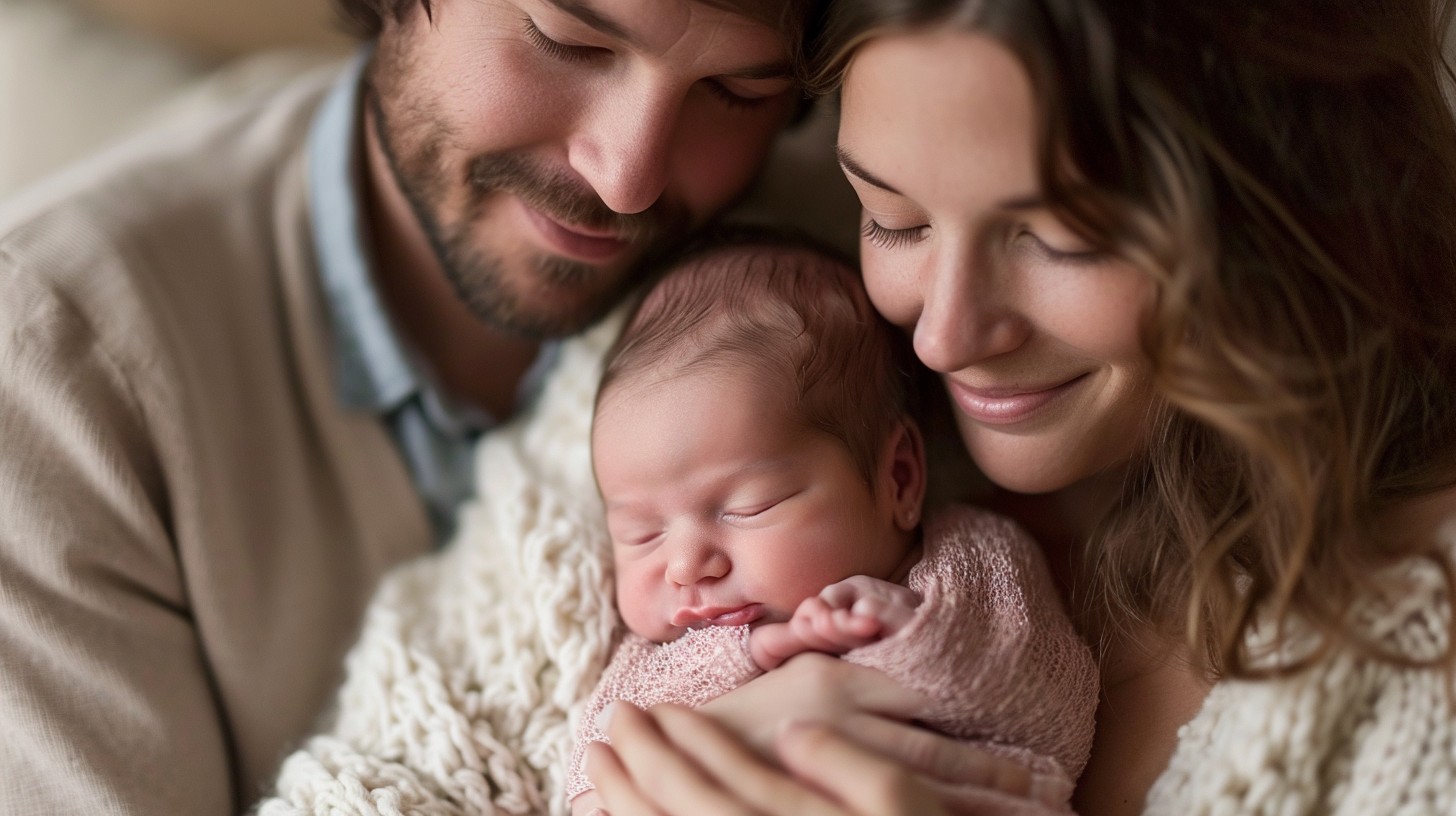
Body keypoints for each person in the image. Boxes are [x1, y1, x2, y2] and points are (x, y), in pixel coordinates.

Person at [584, 1, 1456, 814]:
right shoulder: (704, 383)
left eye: (1063, 237)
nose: (944, 340)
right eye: (895, 220)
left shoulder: (1419, 639)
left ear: (1289, 197)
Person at [0, 0, 829, 811]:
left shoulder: (850, 254)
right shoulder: (49, 376)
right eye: (568, 40)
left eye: (736, 92)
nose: (626, 178)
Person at [565, 232, 1097, 815]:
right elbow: (593, 769)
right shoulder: (653, 659)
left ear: (898, 479)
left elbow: (1056, 711)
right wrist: (755, 651)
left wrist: (912, 637)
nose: (687, 565)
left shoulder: (971, 557)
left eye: (748, 508)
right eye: (641, 534)